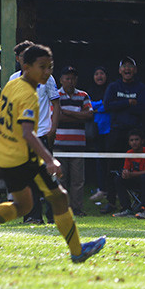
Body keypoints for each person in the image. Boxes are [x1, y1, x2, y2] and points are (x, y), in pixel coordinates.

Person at [0, 44, 105, 262]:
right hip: (20, 155)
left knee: (23, 205)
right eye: (41, 67)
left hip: (8, 155)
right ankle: (77, 251)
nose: (47, 72)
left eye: (50, 67)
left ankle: (77, 251)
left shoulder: (11, 85)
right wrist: (50, 159)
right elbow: (27, 133)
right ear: (25, 66)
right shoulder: (28, 94)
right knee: (59, 197)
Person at [9, 41, 60, 224]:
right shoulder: (13, 79)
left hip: (41, 135)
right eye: (23, 55)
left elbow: (56, 103)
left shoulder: (47, 77)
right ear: (18, 59)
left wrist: (53, 129)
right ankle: (33, 216)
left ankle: (55, 215)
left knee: (47, 177)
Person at [103, 56, 145, 212]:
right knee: (112, 167)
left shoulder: (140, 87)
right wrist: (128, 103)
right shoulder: (114, 87)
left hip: (134, 132)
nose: (127, 69)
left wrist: (120, 106)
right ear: (120, 70)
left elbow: (142, 108)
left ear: (135, 70)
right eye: (124, 66)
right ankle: (111, 202)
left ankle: (139, 204)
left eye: (130, 66)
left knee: (136, 167)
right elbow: (107, 106)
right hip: (116, 131)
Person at [54, 66, 94, 215]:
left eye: (73, 78)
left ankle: (77, 209)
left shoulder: (83, 95)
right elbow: (56, 117)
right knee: (60, 179)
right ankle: (62, 209)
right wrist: (78, 114)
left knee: (78, 180)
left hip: (78, 145)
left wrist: (67, 112)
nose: (71, 81)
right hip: (59, 144)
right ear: (61, 80)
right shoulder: (55, 95)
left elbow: (90, 115)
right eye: (67, 78)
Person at [112, 129, 145, 219]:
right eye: (131, 140)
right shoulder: (129, 153)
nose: (134, 142)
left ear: (142, 141)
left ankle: (144, 210)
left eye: (136, 140)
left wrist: (131, 174)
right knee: (118, 179)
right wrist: (125, 173)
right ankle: (126, 209)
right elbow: (126, 170)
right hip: (138, 181)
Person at [86, 65, 111, 203]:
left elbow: (108, 105)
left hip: (110, 130)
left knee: (110, 160)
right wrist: (101, 105)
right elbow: (89, 106)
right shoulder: (89, 91)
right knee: (99, 160)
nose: (99, 76)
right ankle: (102, 189)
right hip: (96, 130)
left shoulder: (110, 89)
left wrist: (99, 106)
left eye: (102, 73)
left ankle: (112, 189)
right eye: (97, 73)